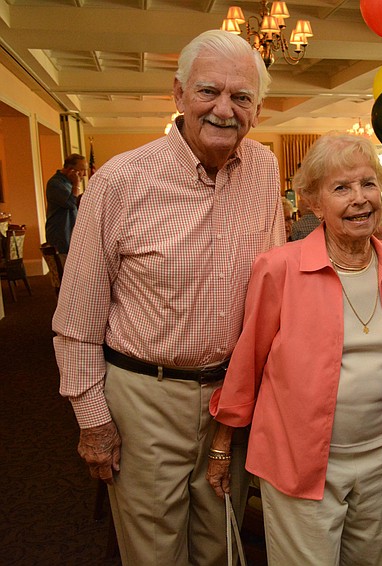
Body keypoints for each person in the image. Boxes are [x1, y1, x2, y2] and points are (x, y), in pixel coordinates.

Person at [52, 30, 285, 565]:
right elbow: (78, 318)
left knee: (222, 546)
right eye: (209, 92)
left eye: (241, 97)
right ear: (178, 95)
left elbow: (272, 288)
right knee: (156, 554)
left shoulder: (265, 171)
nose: (224, 110)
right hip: (144, 400)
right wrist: (93, 420)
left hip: (231, 400)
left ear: (258, 109)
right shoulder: (120, 181)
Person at [206, 132, 382, 564]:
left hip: (380, 455)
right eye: (341, 188)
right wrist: (223, 439)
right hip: (299, 458)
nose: (360, 199)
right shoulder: (280, 267)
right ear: (313, 202)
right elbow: (248, 359)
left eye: (368, 184)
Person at [44, 153, 86, 257]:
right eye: (82, 170)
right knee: (65, 271)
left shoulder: (68, 183)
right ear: (71, 170)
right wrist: (76, 184)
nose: (84, 174)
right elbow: (71, 203)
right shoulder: (55, 184)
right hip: (61, 235)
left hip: (71, 234)